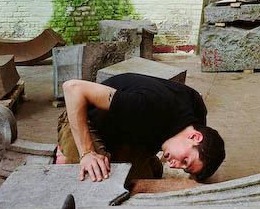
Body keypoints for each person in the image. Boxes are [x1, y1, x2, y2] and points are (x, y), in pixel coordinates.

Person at [57, 72, 226, 183]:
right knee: (97, 178)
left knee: (142, 181)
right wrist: (87, 152)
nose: (174, 166)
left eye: (183, 167)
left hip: (125, 134)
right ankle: (69, 152)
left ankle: (140, 161)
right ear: (195, 137)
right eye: (185, 161)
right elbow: (73, 88)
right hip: (86, 119)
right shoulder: (148, 105)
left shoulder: (197, 117)